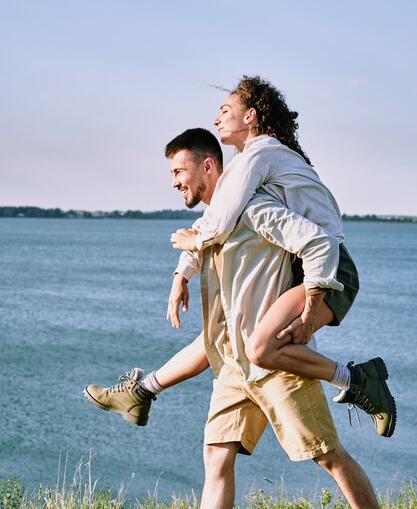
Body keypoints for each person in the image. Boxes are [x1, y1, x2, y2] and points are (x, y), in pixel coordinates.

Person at [84, 129, 380, 509]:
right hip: (235, 366)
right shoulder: (215, 219)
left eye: (179, 171)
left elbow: (318, 242)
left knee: (328, 456)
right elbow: (203, 238)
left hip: (276, 362)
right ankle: (142, 390)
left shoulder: (254, 207)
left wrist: (309, 310)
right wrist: (180, 278)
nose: (174, 182)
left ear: (208, 166)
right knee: (216, 458)